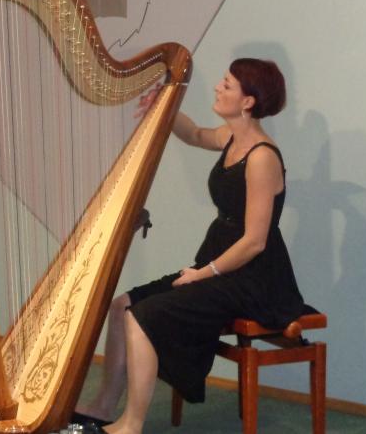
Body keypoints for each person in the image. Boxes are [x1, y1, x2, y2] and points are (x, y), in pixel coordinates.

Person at [72, 58, 305, 434]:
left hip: (253, 280)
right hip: (219, 266)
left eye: (227, 84)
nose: (217, 87)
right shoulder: (231, 138)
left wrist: (203, 273)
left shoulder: (262, 157)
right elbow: (195, 134)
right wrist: (164, 109)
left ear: (247, 101)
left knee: (142, 315)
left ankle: (131, 424)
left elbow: (254, 241)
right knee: (121, 306)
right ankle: (103, 404)